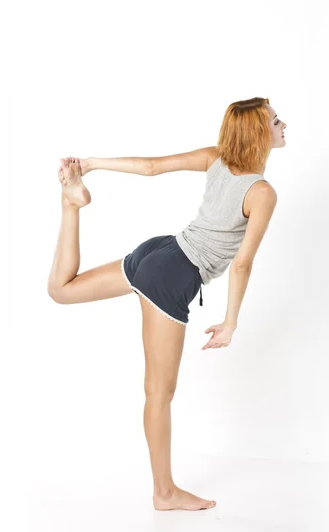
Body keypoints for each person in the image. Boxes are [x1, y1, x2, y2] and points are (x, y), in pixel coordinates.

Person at [47, 96, 285, 511]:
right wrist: (230, 322)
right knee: (159, 391)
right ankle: (164, 492)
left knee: (61, 290)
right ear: (258, 133)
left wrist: (93, 163)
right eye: (276, 121)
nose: (284, 125)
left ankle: (71, 205)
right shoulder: (262, 192)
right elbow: (242, 262)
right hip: (172, 276)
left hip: (158, 250)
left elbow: (151, 167)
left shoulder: (216, 158)